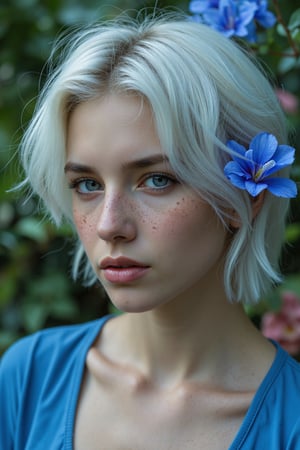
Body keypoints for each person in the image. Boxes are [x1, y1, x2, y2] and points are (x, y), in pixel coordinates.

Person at [0, 11, 299, 450]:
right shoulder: (27, 379)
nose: (109, 226)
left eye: (157, 179)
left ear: (247, 197)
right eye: (87, 185)